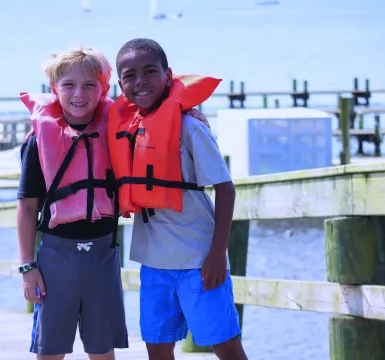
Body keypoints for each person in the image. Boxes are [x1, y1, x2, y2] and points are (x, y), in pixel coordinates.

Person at [108, 38, 249, 360]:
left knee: (225, 346)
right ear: (120, 84)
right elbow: (80, 114)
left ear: (168, 75)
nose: (140, 81)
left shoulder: (190, 127)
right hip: (153, 263)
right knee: (157, 349)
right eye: (130, 75)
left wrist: (217, 254)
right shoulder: (124, 129)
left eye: (150, 72)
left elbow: (225, 190)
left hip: (197, 261)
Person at [16, 46, 128, 360]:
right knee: (49, 350)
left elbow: (156, 117)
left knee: (102, 349)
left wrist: (191, 113)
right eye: (69, 85)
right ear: (54, 90)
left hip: (103, 255)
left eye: (90, 85)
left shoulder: (117, 131)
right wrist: (27, 267)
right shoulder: (39, 140)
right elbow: (26, 208)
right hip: (54, 258)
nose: (79, 94)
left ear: (104, 89)